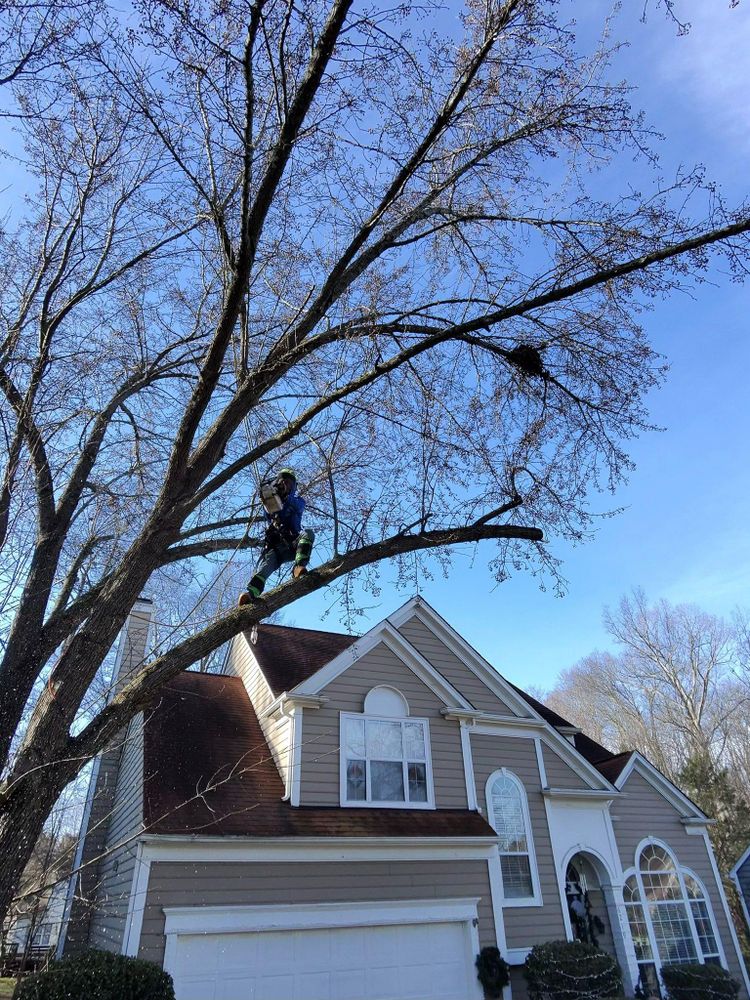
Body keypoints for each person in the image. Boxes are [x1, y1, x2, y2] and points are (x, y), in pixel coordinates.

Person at [238, 469, 314, 605]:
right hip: (275, 547)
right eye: (283, 482)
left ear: (294, 486)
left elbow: (298, 506)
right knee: (264, 569)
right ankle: (251, 594)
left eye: (289, 483)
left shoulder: (298, 501)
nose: (286, 485)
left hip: (292, 544)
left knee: (308, 534)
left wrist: (286, 496)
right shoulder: (273, 500)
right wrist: (269, 495)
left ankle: (299, 567)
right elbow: (268, 513)